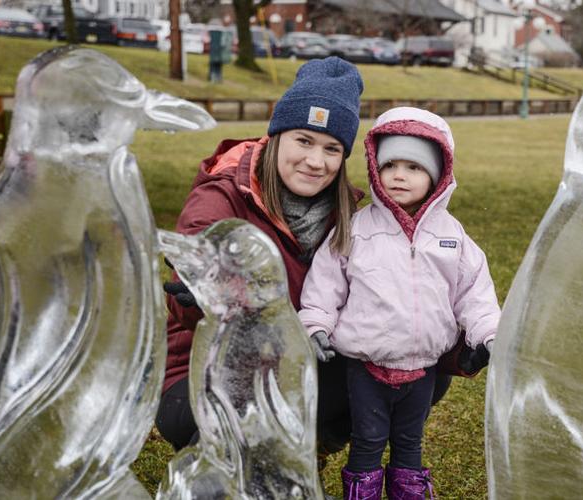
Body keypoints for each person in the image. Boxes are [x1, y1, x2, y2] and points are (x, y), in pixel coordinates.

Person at [155, 59, 468, 466]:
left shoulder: (351, 220)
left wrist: (456, 353)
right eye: (304, 140)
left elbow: (396, 310)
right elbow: (184, 300)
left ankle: (310, 444)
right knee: (241, 430)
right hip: (207, 375)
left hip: (293, 367)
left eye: (331, 148)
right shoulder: (224, 196)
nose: (315, 161)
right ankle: (236, 460)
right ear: (277, 135)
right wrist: (204, 297)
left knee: (419, 371)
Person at [299, 106, 501, 499]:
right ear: (375, 169)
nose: (399, 175)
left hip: (423, 367)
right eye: (390, 165)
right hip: (367, 365)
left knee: (410, 441)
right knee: (368, 439)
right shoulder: (356, 229)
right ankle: (363, 491)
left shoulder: (451, 236)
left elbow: (474, 293)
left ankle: (409, 491)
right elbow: (325, 286)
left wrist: (489, 333)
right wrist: (315, 326)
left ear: (438, 175)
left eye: (414, 167)